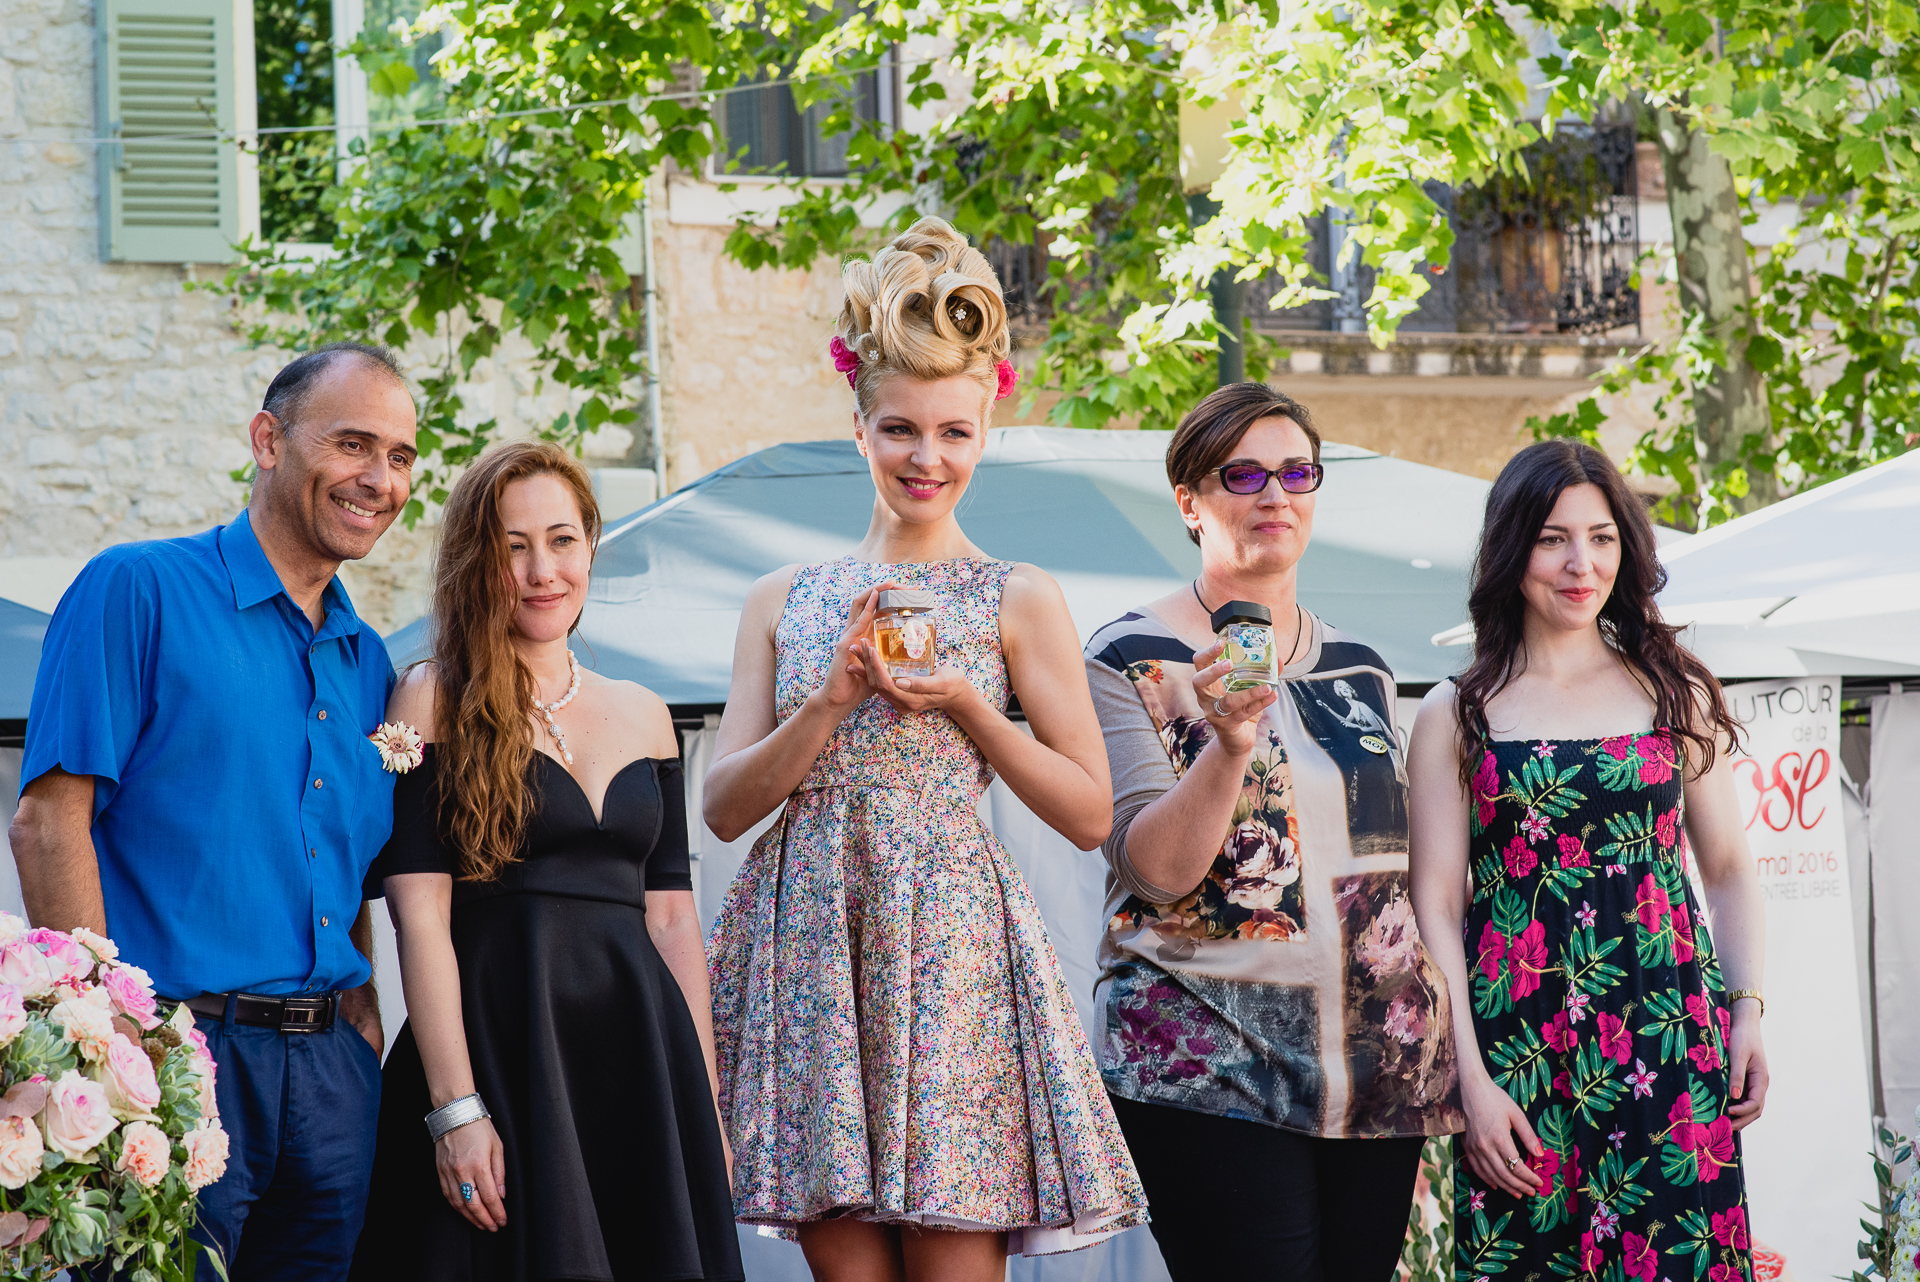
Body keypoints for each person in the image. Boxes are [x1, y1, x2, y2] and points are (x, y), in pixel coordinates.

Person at [703, 216, 1147, 1282]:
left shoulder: (1018, 595)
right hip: (813, 945)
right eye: (901, 429)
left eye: (953, 431)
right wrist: (829, 699)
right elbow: (722, 806)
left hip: (951, 947)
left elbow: (1092, 812)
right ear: (859, 427)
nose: (927, 457)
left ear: (986, 425)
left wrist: (969, 709)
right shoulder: (784, 598)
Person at [9, 342, 417, 1278]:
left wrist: (362, 1022)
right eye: (353, 444)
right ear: (268, 440)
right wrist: (107, 1053)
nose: (379, 479)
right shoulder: (138, 590)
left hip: (332, 1079)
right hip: (176, 1056)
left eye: (400, 457)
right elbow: (47, 821)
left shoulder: (369, 665)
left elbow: (339, 859)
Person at [1082, 382, 1463, 1282]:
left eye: (1297, 471)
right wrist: (1227, 746)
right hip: (1211, 1059)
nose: (1274, 494)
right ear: (1190, 501)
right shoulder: (1128, 657)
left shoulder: (1363, 666)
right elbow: (1156, 871)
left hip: (1374, 1067)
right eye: (1243, 473)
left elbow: (1396, 874)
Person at [350, 441, 741, 1281]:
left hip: (639, 1056)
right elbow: (420, 920)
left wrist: (701, 1103)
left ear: (591, 545)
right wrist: (455, 1109)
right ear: (475, 561)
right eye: (511, 545)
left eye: (562, 540)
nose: (541, 570)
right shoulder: (428, 696)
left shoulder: (644, 713)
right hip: (500, 1049)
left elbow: (672, 916)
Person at [1405, 440, 1766, 1279]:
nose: (1581, 563)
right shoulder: (1455, 713)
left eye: (1602, 538)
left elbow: (1730, 873)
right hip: (1517, 1053)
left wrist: (1745, 1012)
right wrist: (1471, 1081)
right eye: (1553, 539)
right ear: (1511, 548)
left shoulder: (1676, 691)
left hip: (1668, 1043)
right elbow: (1437, 909)